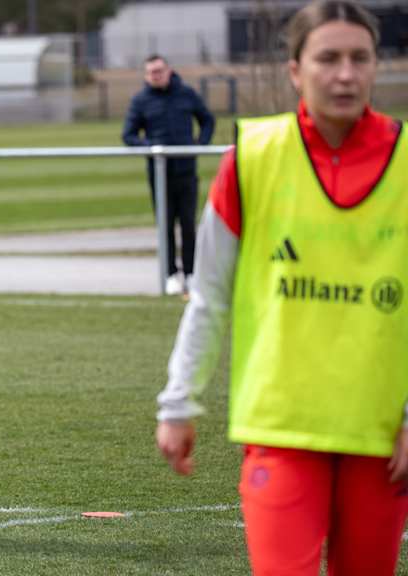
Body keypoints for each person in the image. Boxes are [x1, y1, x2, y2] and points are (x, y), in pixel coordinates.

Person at [154, 1, 408, 574]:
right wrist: (178, 403)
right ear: (296, 68)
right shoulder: (251, 160)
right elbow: (210, 297)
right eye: (327, 58)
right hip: (281, 429)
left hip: (379, 435)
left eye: (359, 58)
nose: (345, 73)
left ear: (376, 66)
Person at [123, 54, 215, 296]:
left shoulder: (186, 94)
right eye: (152, 72)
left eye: (160, 70)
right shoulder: (141, 100)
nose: (157, 75)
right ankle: (170, 274)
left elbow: (207, 120)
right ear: (146, 76)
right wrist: (151, 149)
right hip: (159, 173)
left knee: (187, 223)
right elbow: (128, 134)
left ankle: (191, 273)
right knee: (165, 225)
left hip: (186, 170)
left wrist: (199, 144)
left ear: (169, 70)